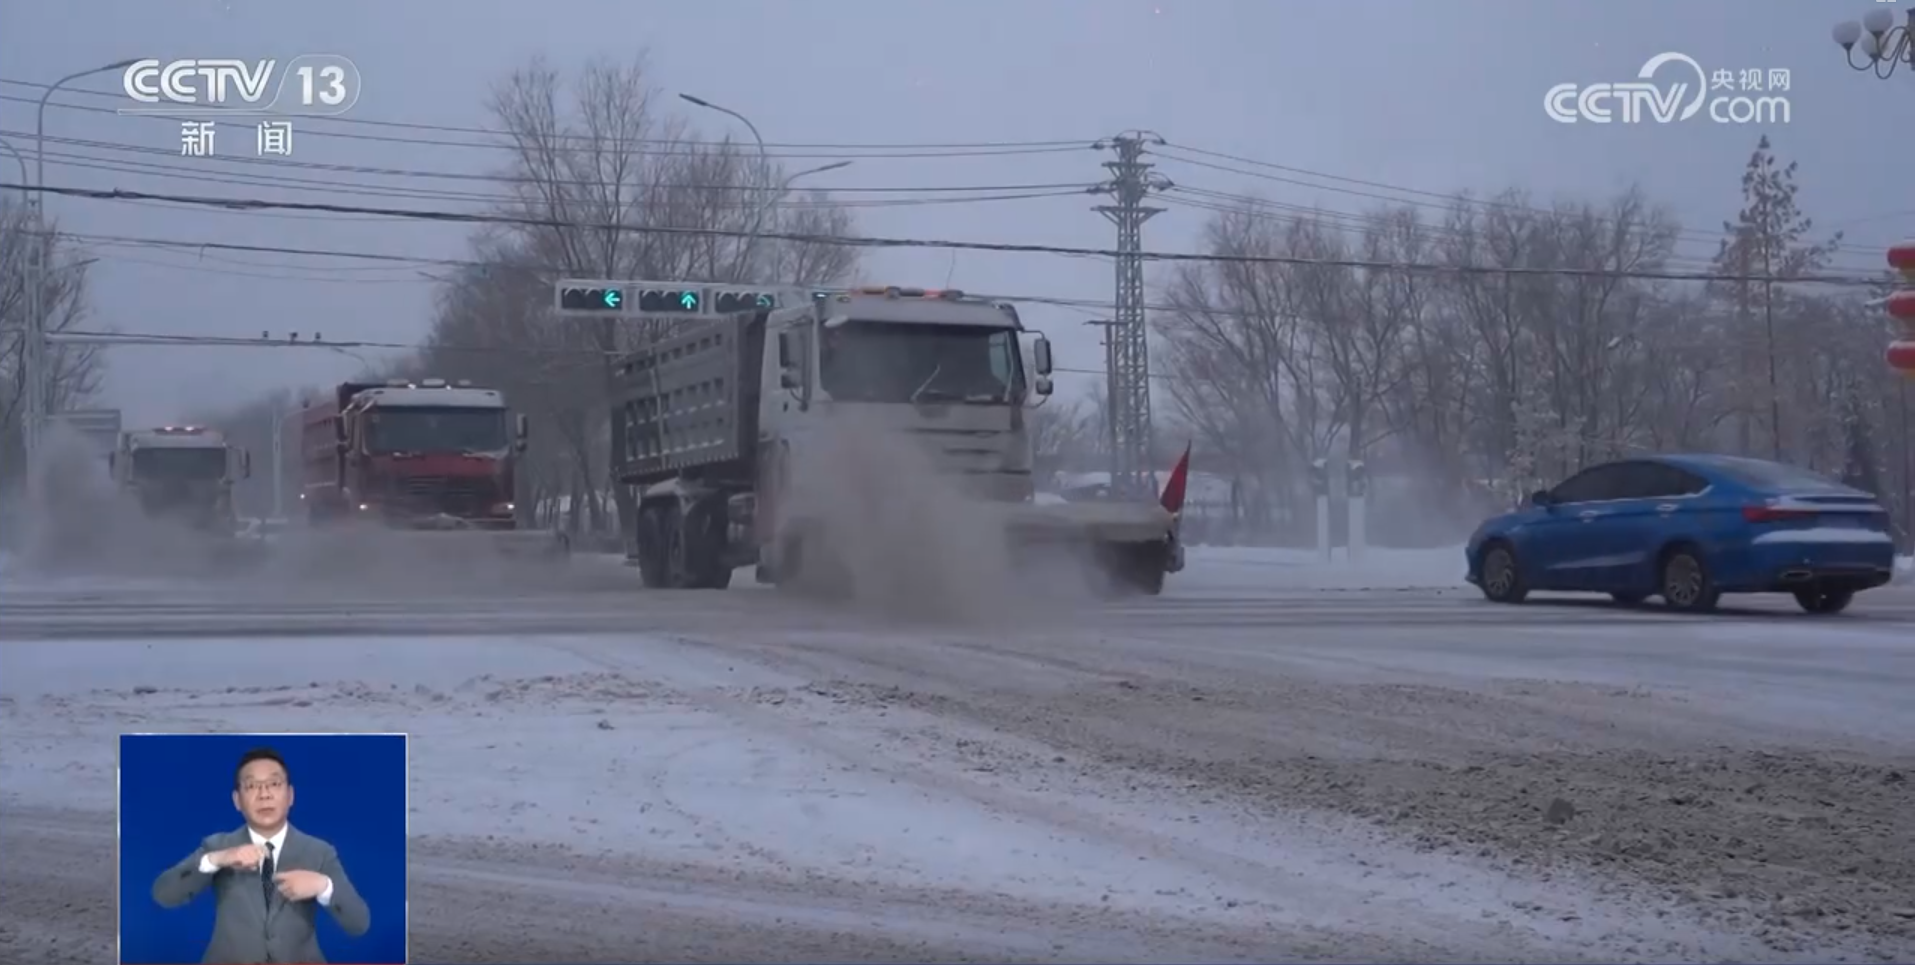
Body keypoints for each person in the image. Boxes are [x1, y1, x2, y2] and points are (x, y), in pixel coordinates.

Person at [150, 746, 371, 964]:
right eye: (252, 786)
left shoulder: (319, 851)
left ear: (290, 795)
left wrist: (324, 886)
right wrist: (216, 859)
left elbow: (359, 924)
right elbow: (164, 895)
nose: (264, 794)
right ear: (237, 800)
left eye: (274, 784)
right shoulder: (218, 845)